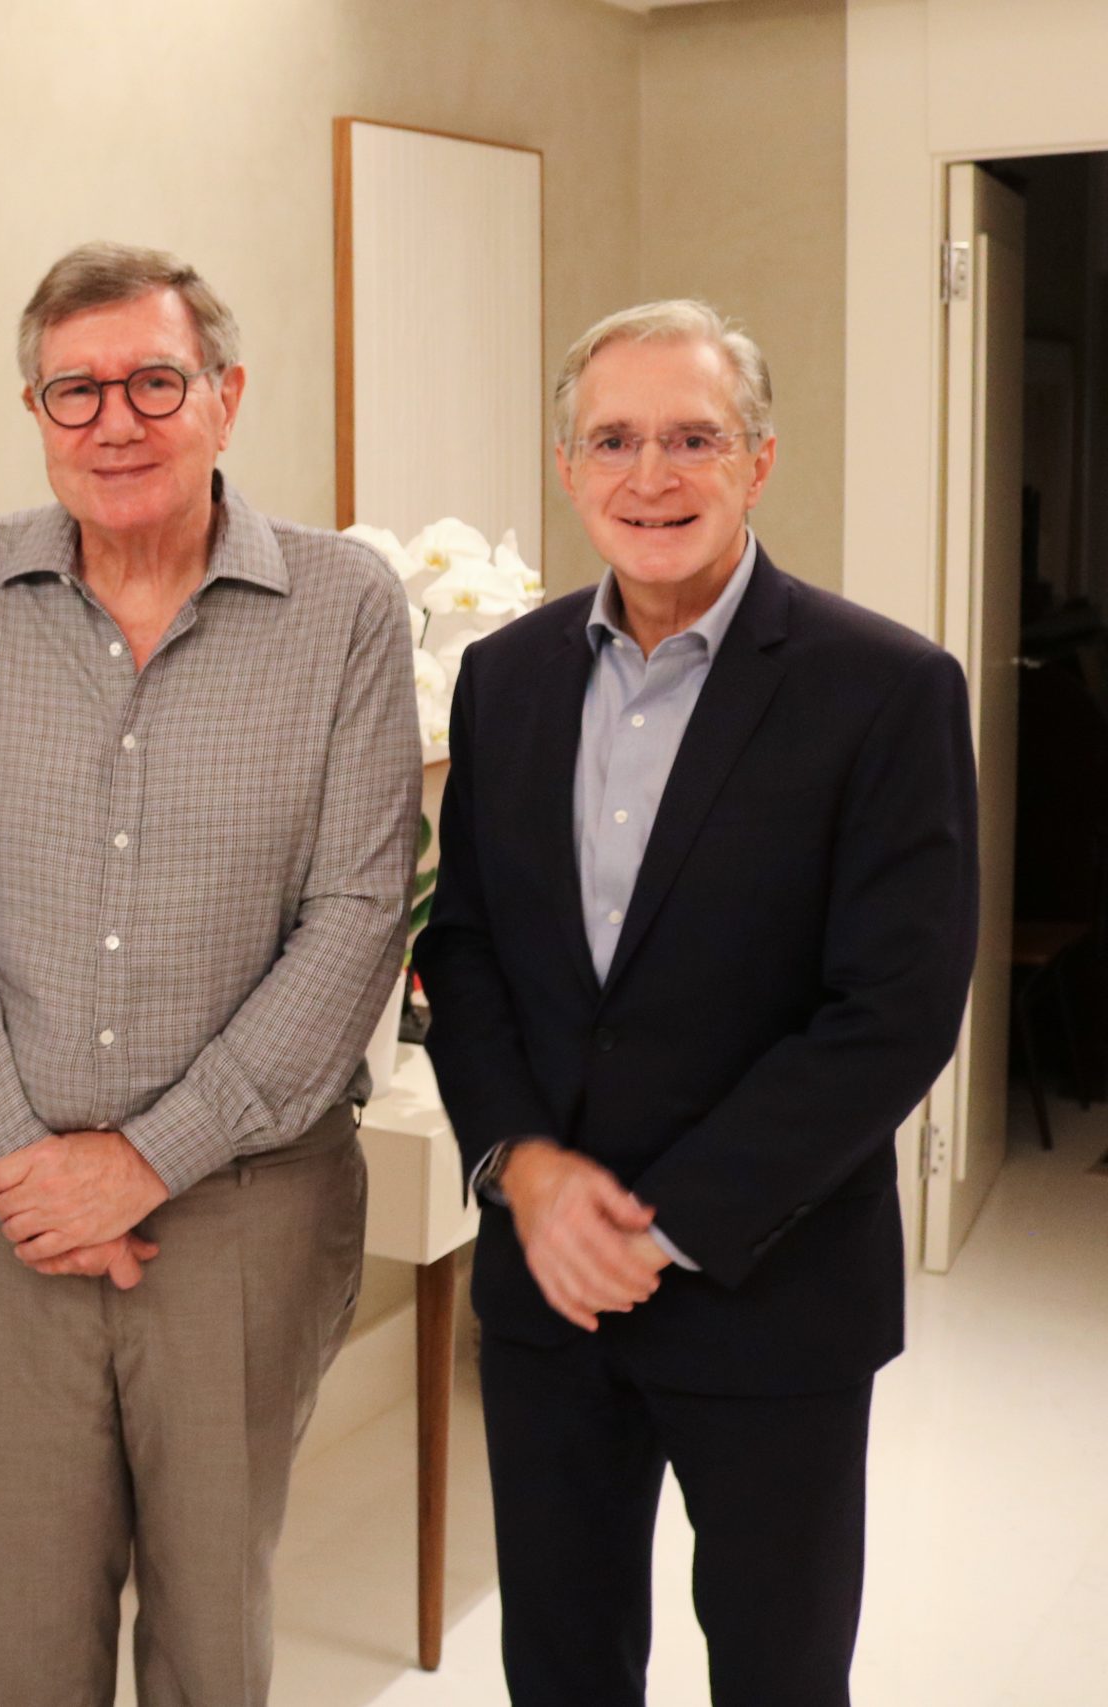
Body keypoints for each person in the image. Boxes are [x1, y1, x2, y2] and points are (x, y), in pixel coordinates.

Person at [414, 300, 978, 1707]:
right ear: (566, 468)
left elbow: (895, 1009)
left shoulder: (885, 688)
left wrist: (660, 1225)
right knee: (560, 1668)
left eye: (693, 439)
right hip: (548, 1297)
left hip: (771, 1292)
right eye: (613, 440)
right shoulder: (503, 680)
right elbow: (464, 952)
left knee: (780, 1676)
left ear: (759, 461)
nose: (650, 476)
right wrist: (526, 1171)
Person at [0, 240, 420, 1706]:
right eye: (75, 390)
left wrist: (141, 1162)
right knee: (25, 1633)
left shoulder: (344, 606)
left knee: (210, 1633)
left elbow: (359, 913)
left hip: (244, 1211)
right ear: (36, 412)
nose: (114, 421)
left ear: (226, 397)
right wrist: (24, 1163)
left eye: (155, 382)